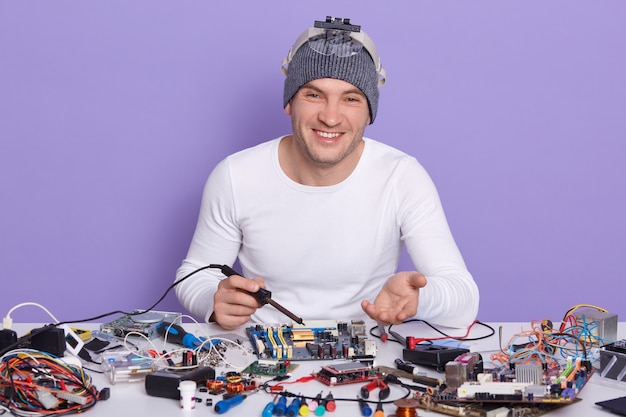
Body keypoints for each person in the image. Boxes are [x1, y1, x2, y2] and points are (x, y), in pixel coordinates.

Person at [175, 17, 479, 330]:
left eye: (350, 99)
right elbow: (196, 273)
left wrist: (419, 299)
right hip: (262, 352)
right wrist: (213, 300)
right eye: (314, 94)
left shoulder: (402, 177)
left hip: (365, 355)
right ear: (290, 102)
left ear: (369, 112)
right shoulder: (235, 176)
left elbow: (464, 299)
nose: (330, 117)